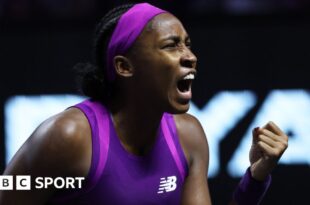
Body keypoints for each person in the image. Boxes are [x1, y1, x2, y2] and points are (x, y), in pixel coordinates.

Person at [0, 2, 288, 205]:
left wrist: (256, 177)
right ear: (125, 67)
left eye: (187, 43)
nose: (189, 55)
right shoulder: (68, 137)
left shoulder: (189, 136)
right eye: (171, 45)